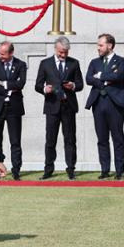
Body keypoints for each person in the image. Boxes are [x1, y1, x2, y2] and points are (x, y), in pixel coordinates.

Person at [35, 37, 84, 181]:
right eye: (61, 52)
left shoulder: (74, 63)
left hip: (68, 106)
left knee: (70, 139)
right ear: (56, 49)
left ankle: (71, 169)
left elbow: (80, 84)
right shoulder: (45, 64)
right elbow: (38, 85)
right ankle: (48, 169)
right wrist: (45, 89)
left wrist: (73, 86)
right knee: (50, 140)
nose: (63, 55)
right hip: (52, 106)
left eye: (66, 52)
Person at [85, 34, 124, 180]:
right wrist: (104, 78)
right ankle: (105, 169)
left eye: (101, 45)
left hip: (115, 103)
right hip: (98, 102)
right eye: (98, 45)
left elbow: (118, 77)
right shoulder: (94, 62)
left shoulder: (122, 61)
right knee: (102, 138)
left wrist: (100, 76)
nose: (98, 48)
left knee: (117, 137)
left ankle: (119, 170)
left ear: (109, 45)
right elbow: (88, 79)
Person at [0, 41, 26, 181]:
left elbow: (21, 84)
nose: (1, 56)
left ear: (11, 53)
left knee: (15, 140)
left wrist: (3, 83)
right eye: (0, 53)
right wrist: (10, 86)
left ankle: (16, 170)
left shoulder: (20, 65)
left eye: (3, 54)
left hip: (14, 107)